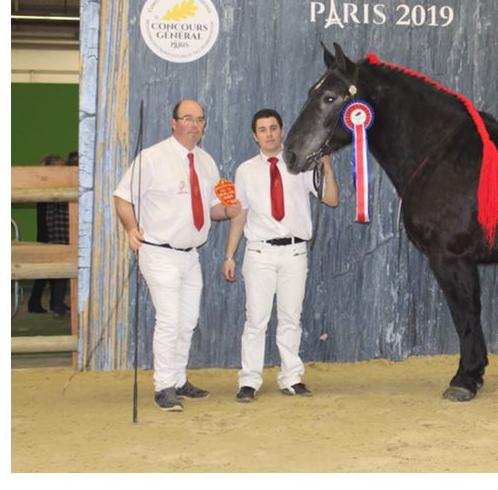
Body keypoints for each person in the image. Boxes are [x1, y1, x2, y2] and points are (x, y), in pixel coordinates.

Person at [112, 99, 231, 412]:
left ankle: (179, 379)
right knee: (169, 319)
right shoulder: (152, 157)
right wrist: (130, 227)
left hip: (191, 255)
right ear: (173, 122)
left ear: (204, 125)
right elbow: (122, 197)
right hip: (158, 251)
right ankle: (163, 385)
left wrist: (229, 210)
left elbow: (211, 209)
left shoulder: (207, 162)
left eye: (199, 119)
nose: (194, 125)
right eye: (187, 118)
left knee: (187, 320)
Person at [222, 108, 339, 402]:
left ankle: (291, 377)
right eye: (262, 129)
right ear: (254, 136)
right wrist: (229, 255)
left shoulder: (299, 164)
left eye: (273, 128)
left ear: (282, 130)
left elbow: (332, 200)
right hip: (259, 252)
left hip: (294, 251)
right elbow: (240, 214)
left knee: (290, 317)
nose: (269, 134)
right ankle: (249, 380)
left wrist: (326, 169)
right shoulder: (246, 170)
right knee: (256, 319)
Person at [27, 152, 70, 317]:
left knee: (50, 271)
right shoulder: (48, 186)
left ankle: (51, 302)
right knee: (47, 271)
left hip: (52, 230)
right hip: (50, 231)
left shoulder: (48, 184)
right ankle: (41, 302)